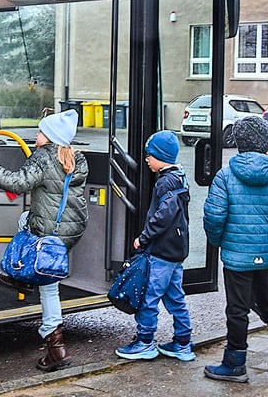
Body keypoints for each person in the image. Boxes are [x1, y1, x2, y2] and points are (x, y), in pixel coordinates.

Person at [202, 116, 268, 383]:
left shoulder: (225, 176)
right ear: (265, 144)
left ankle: (235, 363)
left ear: (239, 142)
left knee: (237, 309)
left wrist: (219, 241)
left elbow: (214, 217)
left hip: (237, 256)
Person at [0, 109, 88, 372]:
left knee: (48, 286)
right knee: (25, 220)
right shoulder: (76, 158)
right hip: (70, 232)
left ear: (51, 136)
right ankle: (23, 278)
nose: (37, 136)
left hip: (50, 234)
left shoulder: (44, 158)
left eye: (41, 131)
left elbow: (16, 183)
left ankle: (56, 347)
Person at [115, 130, 194, 362]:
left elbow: (163, 216)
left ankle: (145, 342)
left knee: (148, 297)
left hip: (161, 252)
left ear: (161, 156)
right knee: (175, 298)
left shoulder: (165, 182)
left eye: (150, 155)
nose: (147, 159)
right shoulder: (179, 177)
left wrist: (144, 237)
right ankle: (183, 342)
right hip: (175, 251)